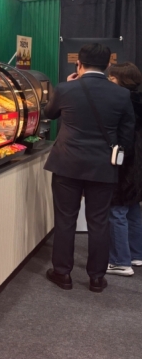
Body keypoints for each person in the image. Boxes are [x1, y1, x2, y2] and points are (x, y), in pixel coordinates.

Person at [44, 43, 135, 293]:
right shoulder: (121, 94)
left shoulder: (65, 89)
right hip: (103, 167)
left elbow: (49, 113)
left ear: (79, 63)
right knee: (99, 222)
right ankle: (96, 277)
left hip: (67, 164)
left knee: (65, 219)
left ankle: (62, 273)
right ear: (108, 65)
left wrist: (66, 85)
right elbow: (127, 137)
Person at [106, 62, 142, 276]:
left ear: (121, 80)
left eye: (111, 78)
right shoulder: (137, 100)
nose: (108, 81)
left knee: (117, 209)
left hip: (125, 162)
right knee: (134, 209)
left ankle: (120, 261)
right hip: (138, 163)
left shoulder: (122, 102)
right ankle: (136, 254)